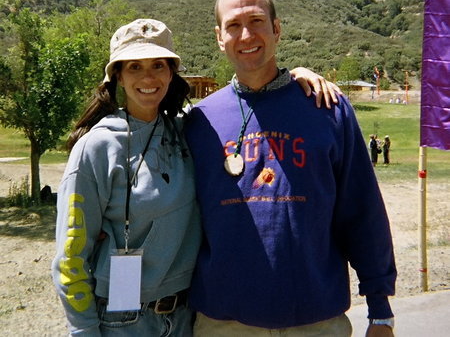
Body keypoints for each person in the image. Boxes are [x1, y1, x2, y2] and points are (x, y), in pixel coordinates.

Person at [52, 18, 341, 336]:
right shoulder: (96, 147)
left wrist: (293, 78)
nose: (148, 77)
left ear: (171, 72)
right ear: (117, 75)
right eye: (134, 66)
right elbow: (70, 256)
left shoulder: (189, 130)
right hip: (122, 321)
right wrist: (83, 330)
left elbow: (246, 102)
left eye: (158, 65)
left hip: (186, 317)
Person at [185, 0, 396, 336]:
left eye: (256, 21)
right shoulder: (198, 121)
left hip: (316, 317)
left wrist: (380, 310)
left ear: (277, 28)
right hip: (224, 321)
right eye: (233, 26)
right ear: (219, 37)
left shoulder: (327, 109)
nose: (246, 35)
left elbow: (361, 211)